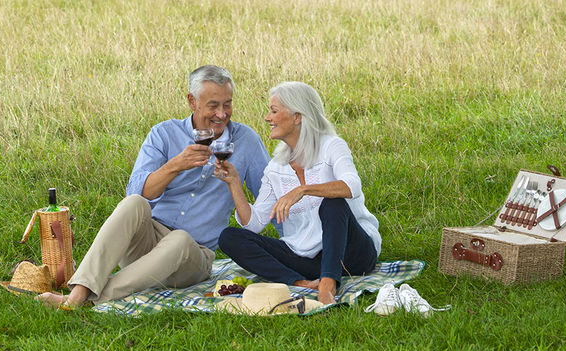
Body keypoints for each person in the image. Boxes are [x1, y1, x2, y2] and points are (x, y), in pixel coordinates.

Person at [36, 65, 269, 307]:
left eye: (227, 104)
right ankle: (80, 290)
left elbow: (271, 193)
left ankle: (86, 300)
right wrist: (175, 165)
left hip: (192, 257)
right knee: (134, 203)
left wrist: (295, 251)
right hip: (147, 242)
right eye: (213, 105)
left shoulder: (246, 141)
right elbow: (137, 192)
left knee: (179, 239)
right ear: (192, 101)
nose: (221, 114)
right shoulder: (164, 133)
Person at [215, 81, 381, 305]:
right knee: (229, 237)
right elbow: (253, 224)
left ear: (297, 116)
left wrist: (302, 190)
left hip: (352, 254)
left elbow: (352, 186)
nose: (267, 117)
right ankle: (299, 282)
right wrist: (234, 184)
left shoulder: (331, 146)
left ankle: (328, 286)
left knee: (333, 203)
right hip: (306, 258)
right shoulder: (276, 168)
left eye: (274, 111)